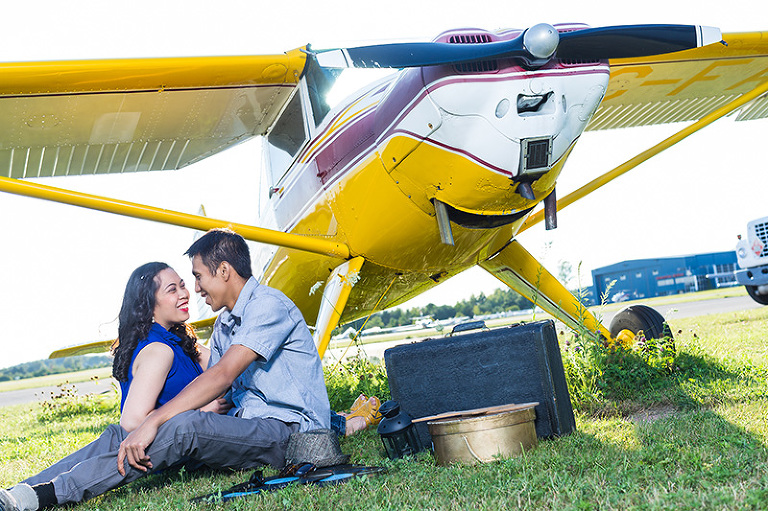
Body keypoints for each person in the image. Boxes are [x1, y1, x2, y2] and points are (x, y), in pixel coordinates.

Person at [0, 262, 226, 511]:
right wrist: (201, 411)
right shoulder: (159, 350)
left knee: (110, 441)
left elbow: (225, 370)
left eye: (183, 286)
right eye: (172, 290)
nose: (184, 294)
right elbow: (132, 421)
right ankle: (23, 498)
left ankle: (16, 495)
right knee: (116, 440)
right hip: (160, 444)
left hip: (141, 438)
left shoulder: (177, 340)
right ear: (150, 303)